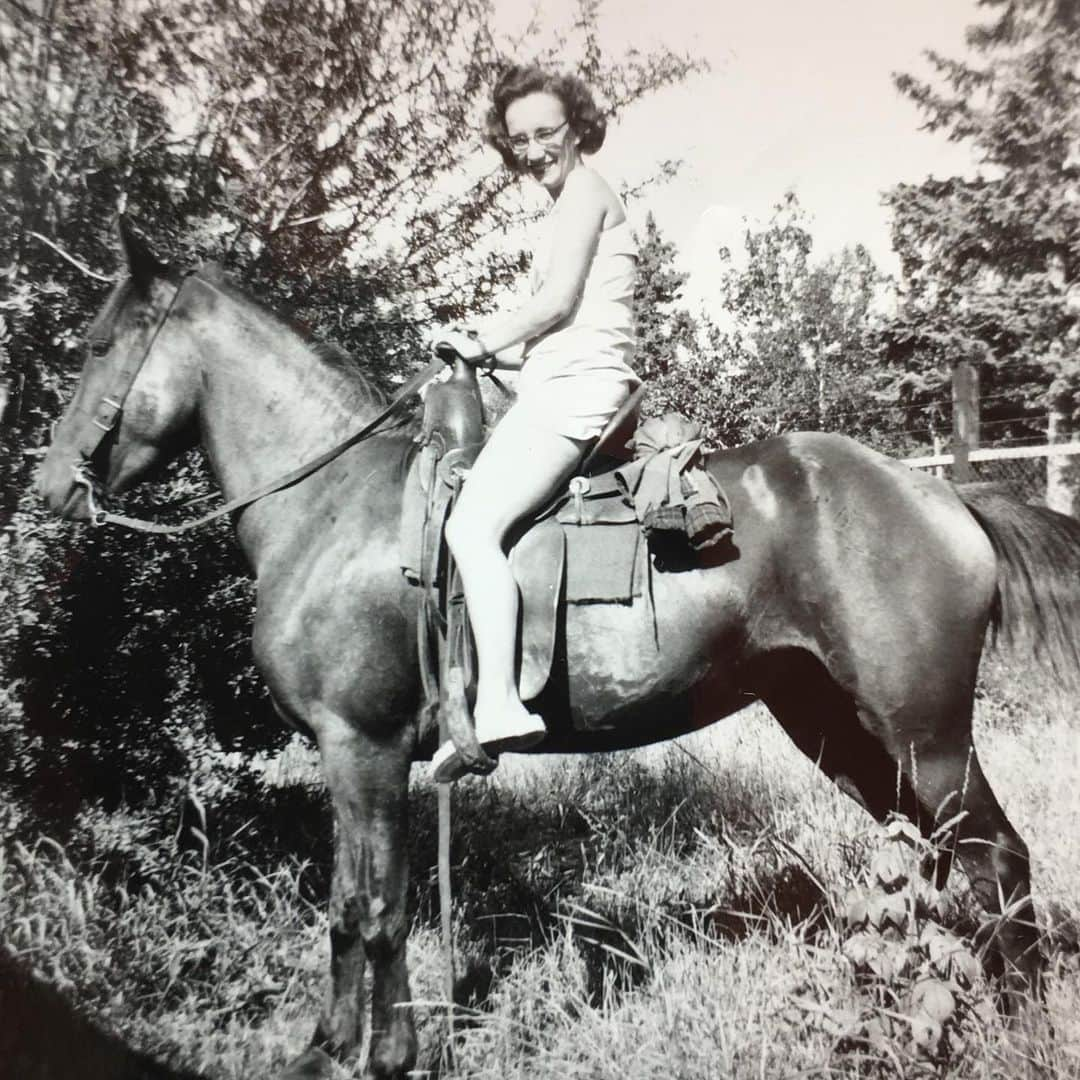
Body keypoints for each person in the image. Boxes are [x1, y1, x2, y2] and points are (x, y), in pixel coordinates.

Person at [431, 63, 640, 783]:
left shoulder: (586, 193)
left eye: (546, 130)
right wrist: (498, 365)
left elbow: (556, 305)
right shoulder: (559, 209)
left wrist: (479, 341)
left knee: (469, 528)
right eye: (518, 138)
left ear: (578, 128)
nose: (532, 147)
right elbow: (565, 329)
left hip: (577, 394)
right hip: (557, 383)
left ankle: (500, 704)